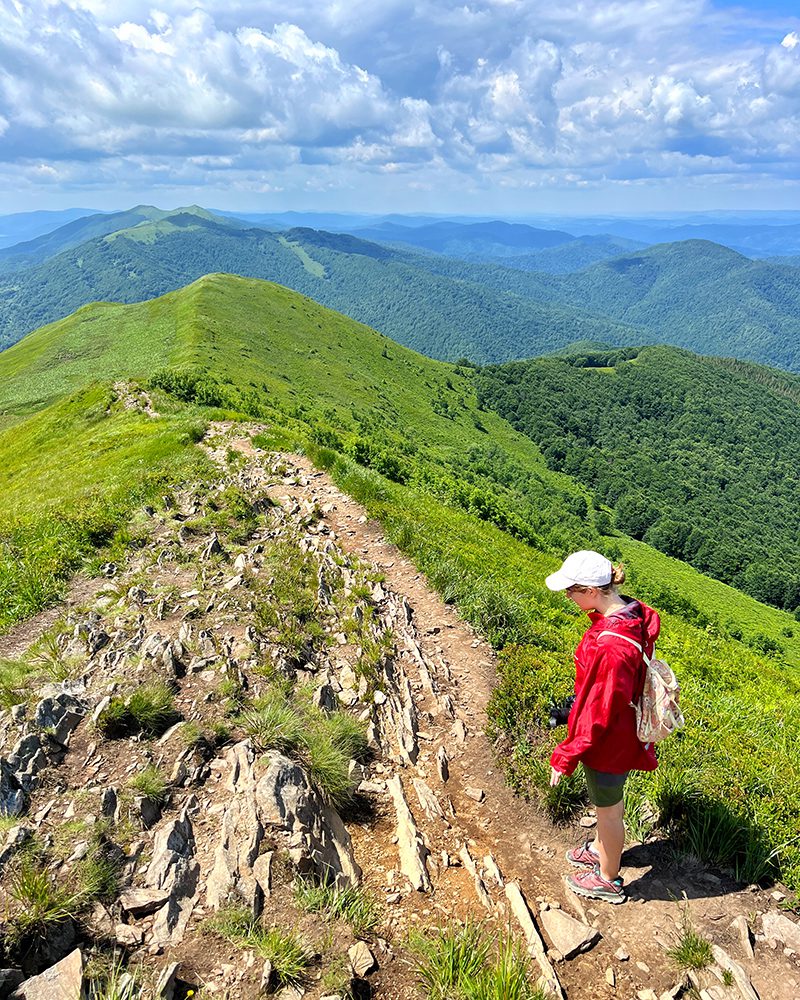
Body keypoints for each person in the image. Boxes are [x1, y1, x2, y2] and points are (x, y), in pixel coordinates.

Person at [545, 550, 660, 904]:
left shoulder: (612, 646)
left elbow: (600, 713)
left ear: (592, 591)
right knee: (609, 803)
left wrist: (564, 756)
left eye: (571, 591)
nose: (568, 598)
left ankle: (608, 877)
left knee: (609, 810)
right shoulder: (630, 613)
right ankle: (599, 848)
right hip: (622, 730)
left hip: (610, 743)